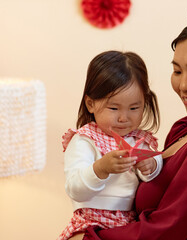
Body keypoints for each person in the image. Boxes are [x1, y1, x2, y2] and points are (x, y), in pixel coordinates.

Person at [82, 21, 187, 240]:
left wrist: (90, 237)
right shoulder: (185, 127)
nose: (183, 85)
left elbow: (168, 228)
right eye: (177, 71)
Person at [58, 50, 163, 240]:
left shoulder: (140, 139)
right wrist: (100, 168)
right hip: (91, 222)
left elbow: (156, 162)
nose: (124, 118)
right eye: (114, 108)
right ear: (90, 104)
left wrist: (151, 166)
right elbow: (74, 188)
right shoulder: (84, 139)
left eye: (134, 108)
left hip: (130, 222)